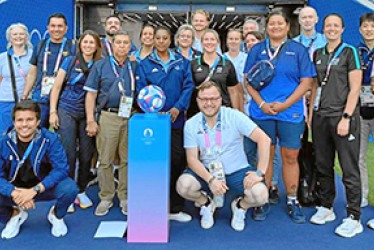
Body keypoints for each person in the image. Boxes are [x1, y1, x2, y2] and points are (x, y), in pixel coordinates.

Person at [244, 11, 316, 224]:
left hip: (290, 113)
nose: (275, 27)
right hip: (262, 112)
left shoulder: (299, 50)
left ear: (287, 27)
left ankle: (292, 200)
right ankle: (263, 199)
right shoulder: (257, 49)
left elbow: (306, 82)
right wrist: (262, 104)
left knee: (290, 157)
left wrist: (285, 104)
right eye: (271, 24)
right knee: (265, 156)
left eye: (279, 23)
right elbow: (248, 81)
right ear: (267, 28)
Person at [176, 81, 270, 231]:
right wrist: (211, 180)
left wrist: (260, 172)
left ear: (220, 99)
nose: (209, 104)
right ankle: (206, 203)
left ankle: (240, 206)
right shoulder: (192, 123)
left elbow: (264, 139)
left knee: (261, 196)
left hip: (236, 171)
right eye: (204, 99)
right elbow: (192, 159)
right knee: (183, 186)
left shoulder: (234, 116)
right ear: (197, 101)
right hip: (207, 171)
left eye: (213, 99)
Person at [308, 13, 363, 238]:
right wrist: (311, 114)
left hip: (342, 118)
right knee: (323, 164)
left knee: (349, 168)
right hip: (321, 117)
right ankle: (326, 206)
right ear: (324, 29)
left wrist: (346, 117)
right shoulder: (318, 54)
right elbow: (314, 87)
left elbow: (355, 88)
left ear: (342, 29)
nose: (331, 29)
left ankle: (354, 216)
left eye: (335, 26)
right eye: (328, 26)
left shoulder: (350, 52)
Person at [136, 26, 194, 222]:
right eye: (157, 38)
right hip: (153, 123)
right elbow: (141, 90)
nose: (161, 41)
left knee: (177, 161)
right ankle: (154, 207)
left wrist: (178, 107)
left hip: (176, 121)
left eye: (165, 38)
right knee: (155, 164)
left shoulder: (182, 62)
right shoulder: (144, 64)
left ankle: (176, 208)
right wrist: (153, 111)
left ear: (171, 40)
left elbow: (188, 87)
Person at [0, 100, 78, 239]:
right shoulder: (3, 142)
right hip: (16, 189)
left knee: (70, 188)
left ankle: (56, 216)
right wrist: (13, 192)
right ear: (14, 122)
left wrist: (34, 190)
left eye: (29, 119)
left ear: (37, 122)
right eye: (20, 120)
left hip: (42, 187)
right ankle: (14, 215)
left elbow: (61, 169)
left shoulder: (50, 139)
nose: (24, 124)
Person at [84, 30, 137, 216]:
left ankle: (125, 196)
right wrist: (91, 120)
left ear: (131, 46)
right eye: (118, 42)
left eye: (126, 42)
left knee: (127, 159)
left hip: (130, 117)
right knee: (105, 159)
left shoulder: (134, 65)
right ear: (111, 45)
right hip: (108, 117)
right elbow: (90, 94)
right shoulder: (100, 66)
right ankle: (106, 197)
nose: (122, 46)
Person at [49, 30, 102, 212]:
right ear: (80, 44)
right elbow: (56, 87)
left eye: (91, 43)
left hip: (88, 114)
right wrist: (53, 111)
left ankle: (81, 189)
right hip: (66, 110)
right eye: (85, 42)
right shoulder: (70, 61)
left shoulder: (99, 63)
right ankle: (69, 192)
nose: (88, 46)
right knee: (69, 154)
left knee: (87, 155)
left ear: (97, 46)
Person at [22, 13, 76, 128]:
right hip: (41, 98)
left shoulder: (72, 47)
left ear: (66, 28)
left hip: (63, 100)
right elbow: (32, 72)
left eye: (60, 26)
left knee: (63, 137)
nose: (56, 29)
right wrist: (25, 94)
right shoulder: (40, 45)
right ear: (48, 28)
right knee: (37, 133)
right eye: (53, 26)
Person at [188, 29, 240, 118]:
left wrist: (236, 114)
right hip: (198, 112)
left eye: (212, 39)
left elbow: (234, 92)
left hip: (222, 112)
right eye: (206, 39)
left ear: (217, 42)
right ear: (202, 42)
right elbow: (188, 89)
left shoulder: (227, 64)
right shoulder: (193, 64)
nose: (209, 42)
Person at [0, 23, 33, 135]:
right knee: (4, 134)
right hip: (5, 101)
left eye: (21, 34)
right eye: (15, 34)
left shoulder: (33, 56)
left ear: (26, 37)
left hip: (27, 101)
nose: (18, 37)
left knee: (25, 133)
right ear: (10, 37)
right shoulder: (2, 58)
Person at [356, 13, 374, 208]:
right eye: (366, 26)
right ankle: (362, 195)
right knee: (359, 156)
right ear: (361, 29)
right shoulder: (356, 51)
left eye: (372, 26)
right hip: (360, 109)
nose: (369, 30)